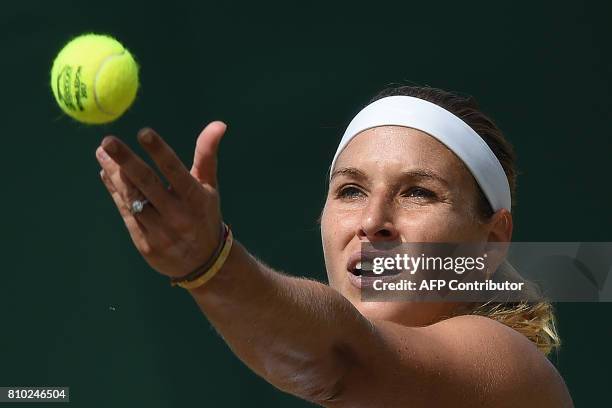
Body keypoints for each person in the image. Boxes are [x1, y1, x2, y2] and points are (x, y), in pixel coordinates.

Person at [95, 85, 574, 407]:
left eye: (418, 192)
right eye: (351, 190)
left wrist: (211, 264)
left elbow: (342, 359)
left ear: (492, 241)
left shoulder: (511, 371)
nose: (372, 222)